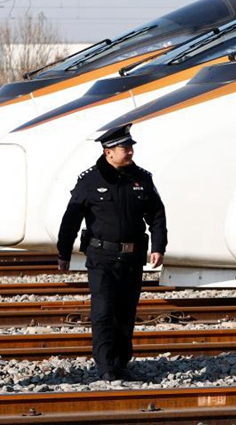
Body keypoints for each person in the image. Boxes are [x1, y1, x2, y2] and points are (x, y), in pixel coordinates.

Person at [56, 124, 167, 382]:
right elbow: (71, 218)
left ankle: (121, 363)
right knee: (104, 312)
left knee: (125, 313)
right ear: (109, 152)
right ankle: (106, 367)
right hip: (101, 259)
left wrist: (159, 247)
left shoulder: (141, 178)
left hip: (132, 258)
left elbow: (157, 215)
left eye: (130, 148)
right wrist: (64, 252)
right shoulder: (90, 181)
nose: (129, 152)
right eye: (124, 148)